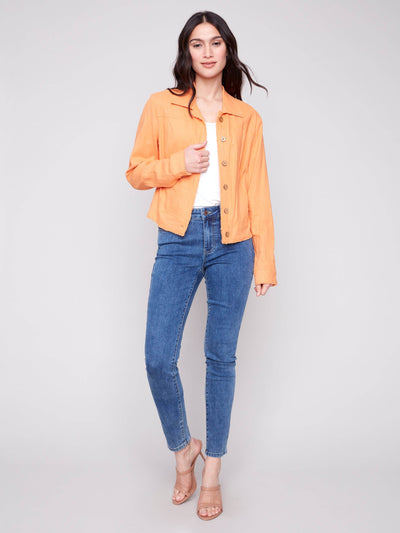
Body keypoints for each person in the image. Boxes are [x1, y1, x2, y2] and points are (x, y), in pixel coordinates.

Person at [125, 10, 277, 521]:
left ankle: (211, 469)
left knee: (220, 358)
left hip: (235, 242)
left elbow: (258, 191)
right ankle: (182, 449)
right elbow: (136, 172)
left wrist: (264, 262)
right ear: (186, 52)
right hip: (179, 236)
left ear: (227, 49)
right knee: (157, 357)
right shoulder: (161, 105)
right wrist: (179, 165)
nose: (207, 52)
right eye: (197, 43)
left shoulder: (246, 118)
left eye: (215, 43)